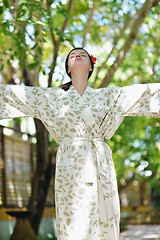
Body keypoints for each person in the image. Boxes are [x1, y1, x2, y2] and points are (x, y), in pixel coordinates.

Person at [0, 47, 159, 240]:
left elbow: (142, 94)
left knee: (103, 221)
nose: (77, 55)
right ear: (68, 69)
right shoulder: (52, 97)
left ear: (90, 67)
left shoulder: (107, 96)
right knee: (73, 219)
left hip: (99, 162)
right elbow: (15, 95)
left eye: (83, 55)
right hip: (70, 165)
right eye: (72, 55)